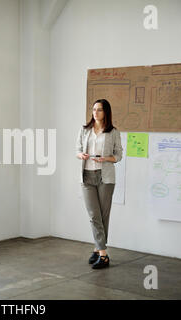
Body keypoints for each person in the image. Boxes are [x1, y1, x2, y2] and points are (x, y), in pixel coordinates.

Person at [76, 99, 123, 269]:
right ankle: (103, 254)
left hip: (106, 177)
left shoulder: (113, 132)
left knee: (103, 216)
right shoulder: (84, 130)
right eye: (94, 109)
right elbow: (77, 150)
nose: (95, 112)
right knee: (93, 215)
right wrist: (81, 155)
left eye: (99, 110)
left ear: (106, 112)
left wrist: (106, 159)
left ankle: (98, 250)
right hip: (87, 175)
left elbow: (119, 155)